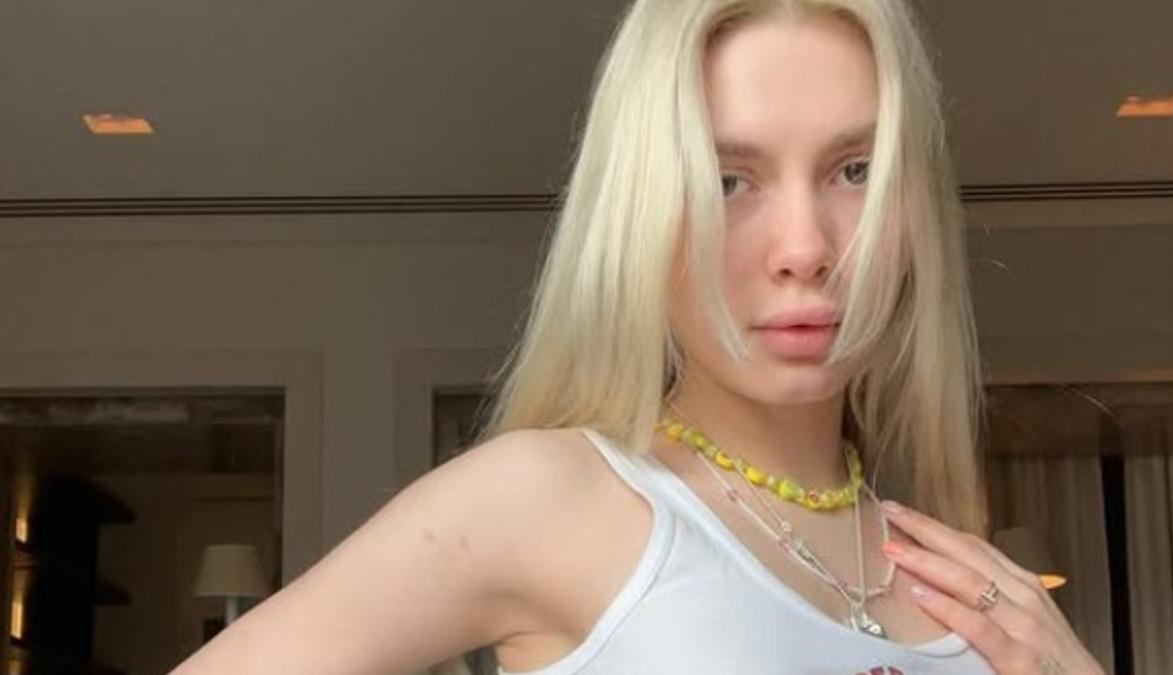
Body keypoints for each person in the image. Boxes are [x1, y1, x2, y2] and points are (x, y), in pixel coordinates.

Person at [170, 1, 1105, 673]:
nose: (805, 249)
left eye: (855, 170)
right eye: (727, 179)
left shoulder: (964, 574)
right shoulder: (550, 499)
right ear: (639, 213)